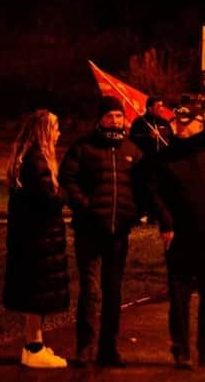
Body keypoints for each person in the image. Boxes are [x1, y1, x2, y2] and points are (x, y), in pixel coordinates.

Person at [148, 105, 205, 369]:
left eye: (187, 123)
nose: (181, 127)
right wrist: (166, 223)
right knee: (179, 297)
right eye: (178, 123)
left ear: (201, 124)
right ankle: (182, 351)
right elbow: (154, 193)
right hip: (180, 238)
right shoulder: (166, 157)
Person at [59, 96, 143, 368]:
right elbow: (68, 180)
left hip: (118, 233)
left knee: (113, 292)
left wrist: (134, 213)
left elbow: (142, 186)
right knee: (90, 291)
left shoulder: (132, 149)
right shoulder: (83, 148)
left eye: (119, 116)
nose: (115, 121)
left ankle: (109, 349)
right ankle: (84, 348)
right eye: (110, 116)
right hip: (89, 230)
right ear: (100, 119)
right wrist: (85, 207)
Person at [4, 109, 69, 368]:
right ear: (44, 131)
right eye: (55, 128)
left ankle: (34, 344)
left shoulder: (27, 158)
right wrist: (65, 194)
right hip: (37, 237)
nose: (59, 133)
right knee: (35, 292)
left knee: (35, 291)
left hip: (30, 236)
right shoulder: (36, 161)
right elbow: (49, 198)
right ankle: (34, 347)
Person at [129, 96, 173, 223]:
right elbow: (133, 139)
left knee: (160, 190)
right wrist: (149, 137)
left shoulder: (164, 123)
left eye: (162, 106)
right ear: (149, 108)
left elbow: (171, 139)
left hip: (162, 163)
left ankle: (155, 215)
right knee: (143, 189)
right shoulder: (139, 122)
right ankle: (139, 214)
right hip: (145, 163)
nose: (162, 109)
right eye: (158, 106)